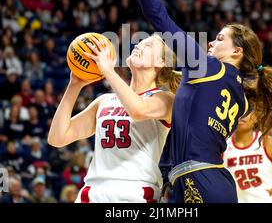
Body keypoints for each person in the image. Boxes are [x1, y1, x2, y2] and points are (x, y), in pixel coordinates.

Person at [119, 0, 272, 203]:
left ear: (237, 52)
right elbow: (192, 102)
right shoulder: (240, 97)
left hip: (197, 179)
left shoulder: (208, 67)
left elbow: (157, 16)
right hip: (212, 181)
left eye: (220, 38)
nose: (211, 42)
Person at [48, 33, 179, 202]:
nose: (138, 46)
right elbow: (57, 138)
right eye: (139, 42)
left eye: (147, 45)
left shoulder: (165, 99)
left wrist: (108, 71)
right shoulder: (105, 101)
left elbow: (137, 110)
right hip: (93, 192)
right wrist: (74, 84)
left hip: (134, 193)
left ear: (161, 62)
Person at [223, 113, 272, 203]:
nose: (241, 116)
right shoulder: (222, 146)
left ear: (255, 118)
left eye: (246, 113)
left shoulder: (268, 143)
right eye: (239, 112)